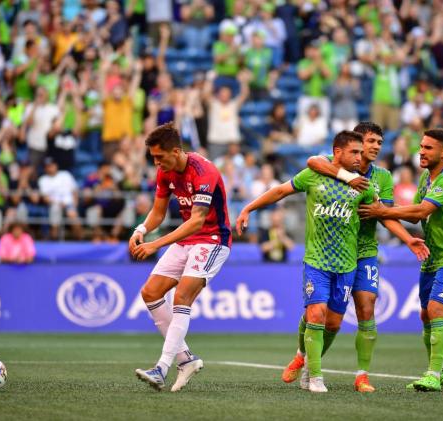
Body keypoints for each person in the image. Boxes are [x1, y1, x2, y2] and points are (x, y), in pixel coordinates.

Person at [281, 122, 430, 393]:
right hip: (330, 251)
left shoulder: (382, 177)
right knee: (319, 314)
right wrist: (346, 176)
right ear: (356, 144)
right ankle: (304, 357)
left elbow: (385, 214)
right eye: (370, 141)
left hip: (364, 253)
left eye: (378, 143)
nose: (374, 147)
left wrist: (407, 237)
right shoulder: (329, 164)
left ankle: (362, 375)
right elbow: (312, 161)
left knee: (366, 308)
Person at [236, 131, 376, 393]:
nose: (360, 157)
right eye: (354, 152)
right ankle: (316, 377)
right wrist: (248, 208)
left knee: (333, 324)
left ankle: (305, 359)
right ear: (337, 152)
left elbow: (379, 212)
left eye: (361, 152)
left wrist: (406, 235)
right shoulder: (314, 174)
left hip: (347, 264)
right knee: (315, 313)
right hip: (317, 260)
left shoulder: (363, 185)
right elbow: (279, 191)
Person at [358, 129, 443, 392]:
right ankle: (438, 371)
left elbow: (422, 210)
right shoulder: (425, 177)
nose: (421, 151)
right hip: (432, 257)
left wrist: (383, 210)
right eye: (421, 146)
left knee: (435, 310)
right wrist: (386, 212)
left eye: (428, 148)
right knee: (425, 315)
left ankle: (433, 373)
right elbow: (412, 217)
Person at [132, 122, 232, 392]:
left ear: (175, 151)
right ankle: (186, 359)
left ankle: (162, 368)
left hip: (212, 240)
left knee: (181, 297)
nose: (156, 163)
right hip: (187, 240)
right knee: (150, 292)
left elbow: (197, 221)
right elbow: (158, 213)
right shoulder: (165, 172)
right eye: (153, 158)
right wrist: (141, 230)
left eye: (159, 157)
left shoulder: (204, 171)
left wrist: (155, 245)